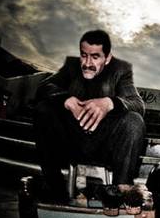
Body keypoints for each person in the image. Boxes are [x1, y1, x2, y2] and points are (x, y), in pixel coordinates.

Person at [34, 30, 146, 201]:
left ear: (107, 58)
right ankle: (54, 187)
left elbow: (137, 104)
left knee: (134, 121)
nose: (87, 63)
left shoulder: (120, 70)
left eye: (95, 57)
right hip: (71, 140)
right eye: (84, 55)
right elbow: (43, 87)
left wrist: (110, 103)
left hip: (104, 145)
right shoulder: (71, 66)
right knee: (43, 109)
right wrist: (65, 99)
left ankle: (119, 191)